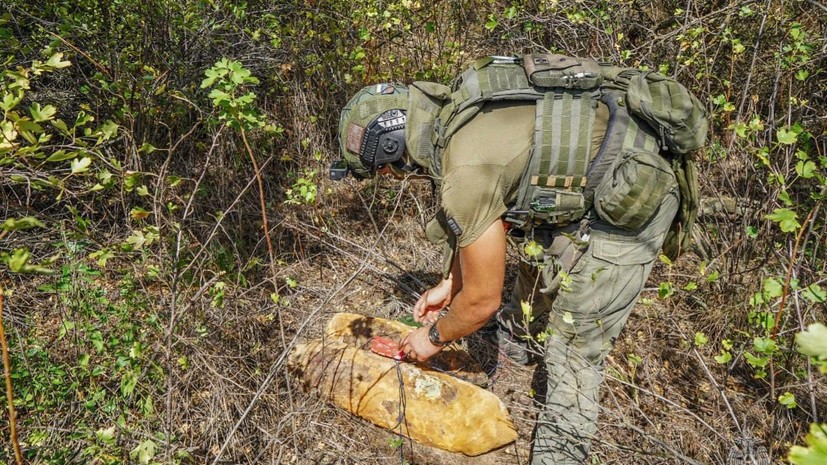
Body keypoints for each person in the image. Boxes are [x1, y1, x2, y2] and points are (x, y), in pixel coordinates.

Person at [330, 54, 704, 464]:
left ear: (392, 146)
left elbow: (482, 300)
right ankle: (517, 350)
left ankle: (558, 455)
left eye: (385, 171)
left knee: (574, 348)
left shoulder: (466, 169)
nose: (393, 178)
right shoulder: (454, 116)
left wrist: (430, 338)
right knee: (536, 260)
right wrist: (451, 283)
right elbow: (490, 214)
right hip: (587, 179)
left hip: (635, 188)